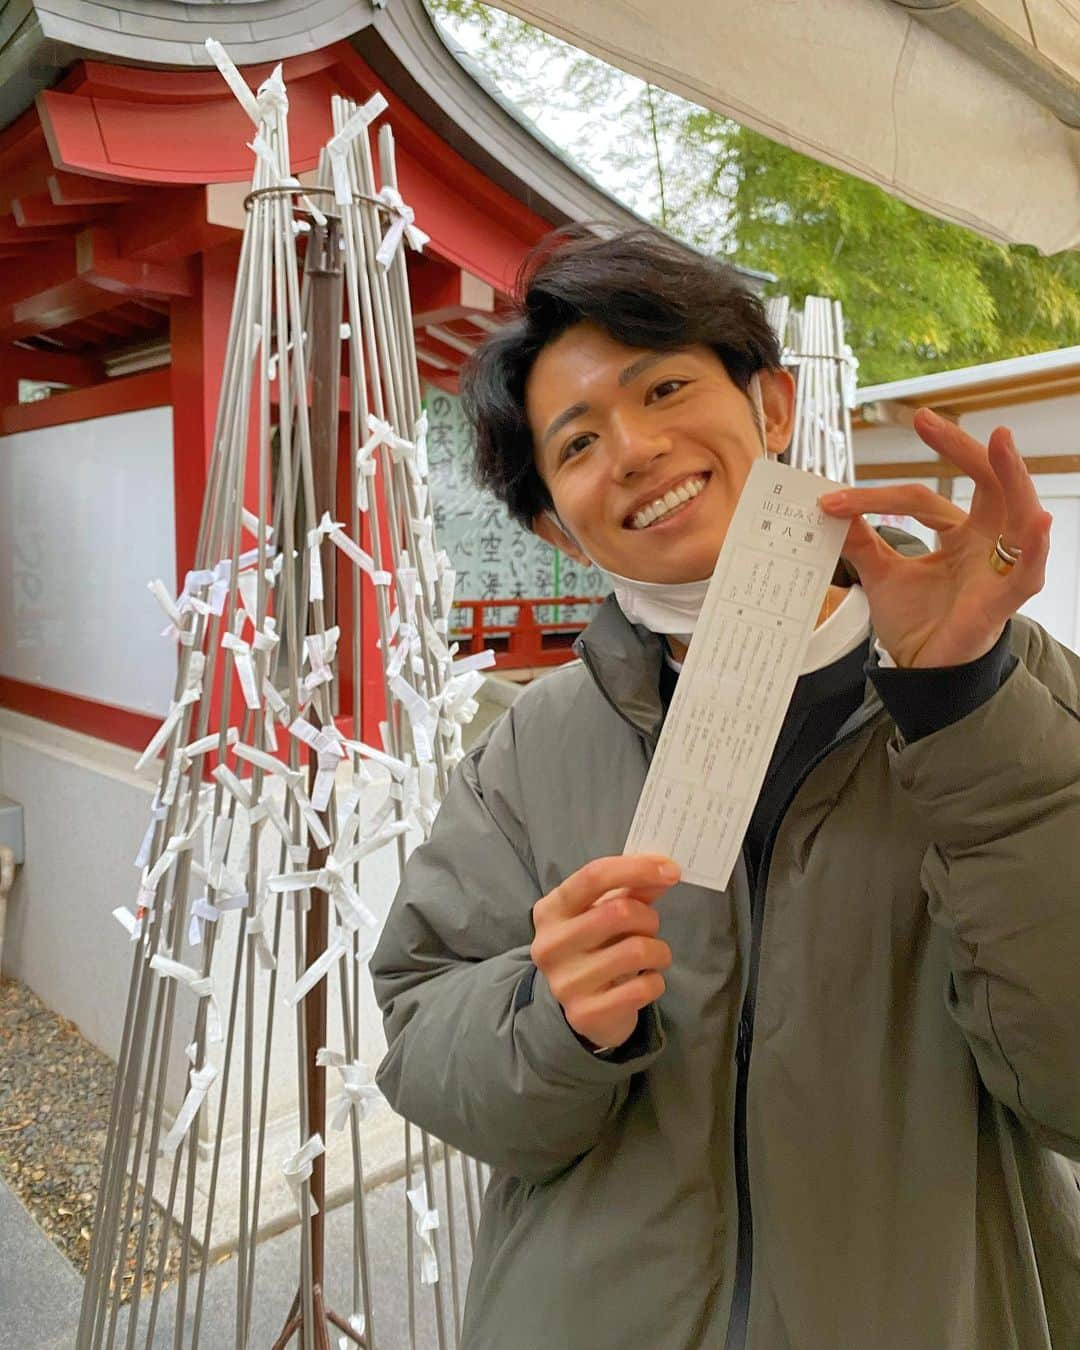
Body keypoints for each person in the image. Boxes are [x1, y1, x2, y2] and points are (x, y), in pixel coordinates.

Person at [370, 226, 1080, 1350]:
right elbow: (419, 1031)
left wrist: (967, 707)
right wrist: (552, 1023)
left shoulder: (1016, 700)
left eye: (666, 388)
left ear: (775, 407)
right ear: (558, 520)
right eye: (579, 443)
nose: (638, 449)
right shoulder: (532, 744)